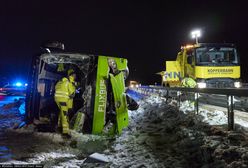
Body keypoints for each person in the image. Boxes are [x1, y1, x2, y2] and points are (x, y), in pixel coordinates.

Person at [54, 69, 76, 137]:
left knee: (61, 113)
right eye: (74, 75)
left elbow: (55, 89)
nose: (75, 77)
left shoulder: (59, 82)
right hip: (63, 100)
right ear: (71, 76)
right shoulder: (68, 83)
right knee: (65, 115)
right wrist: (74, 87)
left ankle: (59, 126)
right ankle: (65, 132)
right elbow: (72, 94)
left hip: (57, 100)